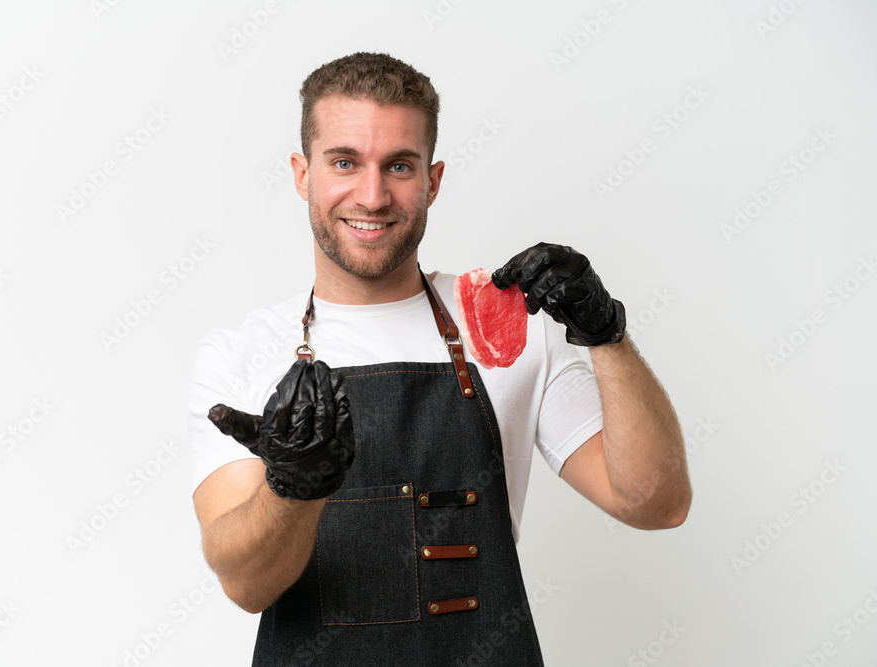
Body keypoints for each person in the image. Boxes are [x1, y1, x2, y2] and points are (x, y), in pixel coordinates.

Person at [189, 51, 691, 665]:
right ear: (302, 174)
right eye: (344, 162)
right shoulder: (242, 354)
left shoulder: (501, 325)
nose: (372, 196)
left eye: (399, 165)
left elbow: (657, 503)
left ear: (433, 178)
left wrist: (607, 336)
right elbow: (246, 585)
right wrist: (292, 490)